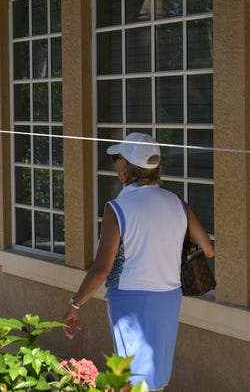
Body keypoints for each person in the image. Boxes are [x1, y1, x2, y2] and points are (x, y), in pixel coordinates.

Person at [62, 133, 214, 392]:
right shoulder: (176, 202)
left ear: (124, 168)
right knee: (154, 378)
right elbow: (208, 250)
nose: (115, 165)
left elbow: (101, 270)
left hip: (131, 300)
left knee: (130, 381)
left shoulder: (118, 208)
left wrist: (75, 305)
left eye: (117, 159)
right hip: (168, 298)